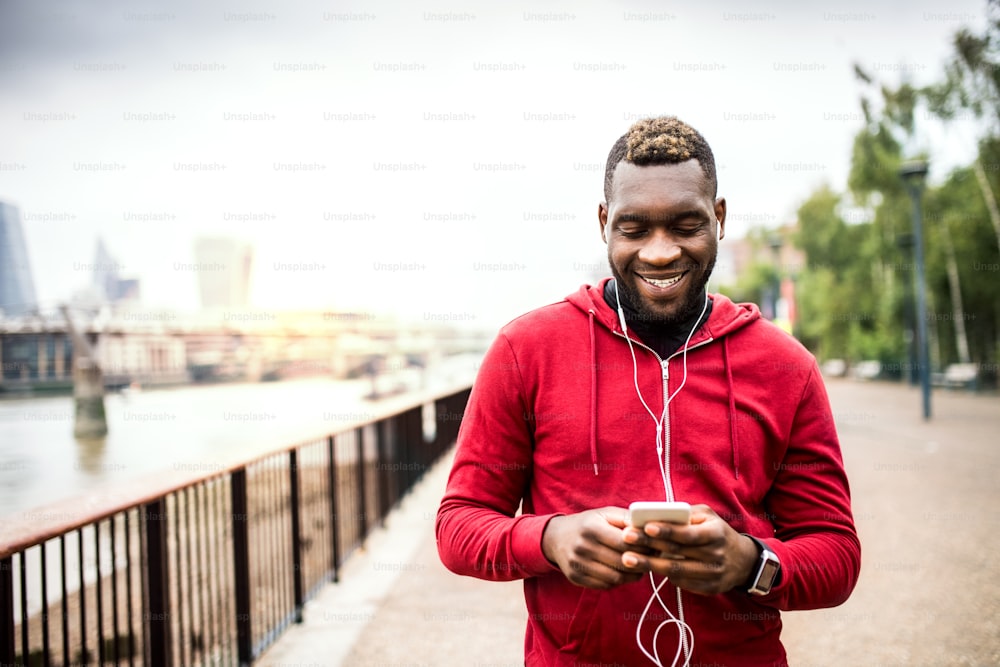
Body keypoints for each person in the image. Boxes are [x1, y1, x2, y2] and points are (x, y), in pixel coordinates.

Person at [436, 116, 860, 667]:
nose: (660, 254)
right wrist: (550, 540)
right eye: (635, 230)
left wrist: (749, 563)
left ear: (720, 218)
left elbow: (836, 553)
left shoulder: (785, 366)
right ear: (604, 222)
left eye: (686, 226)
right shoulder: (527, 349)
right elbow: (460, 524)